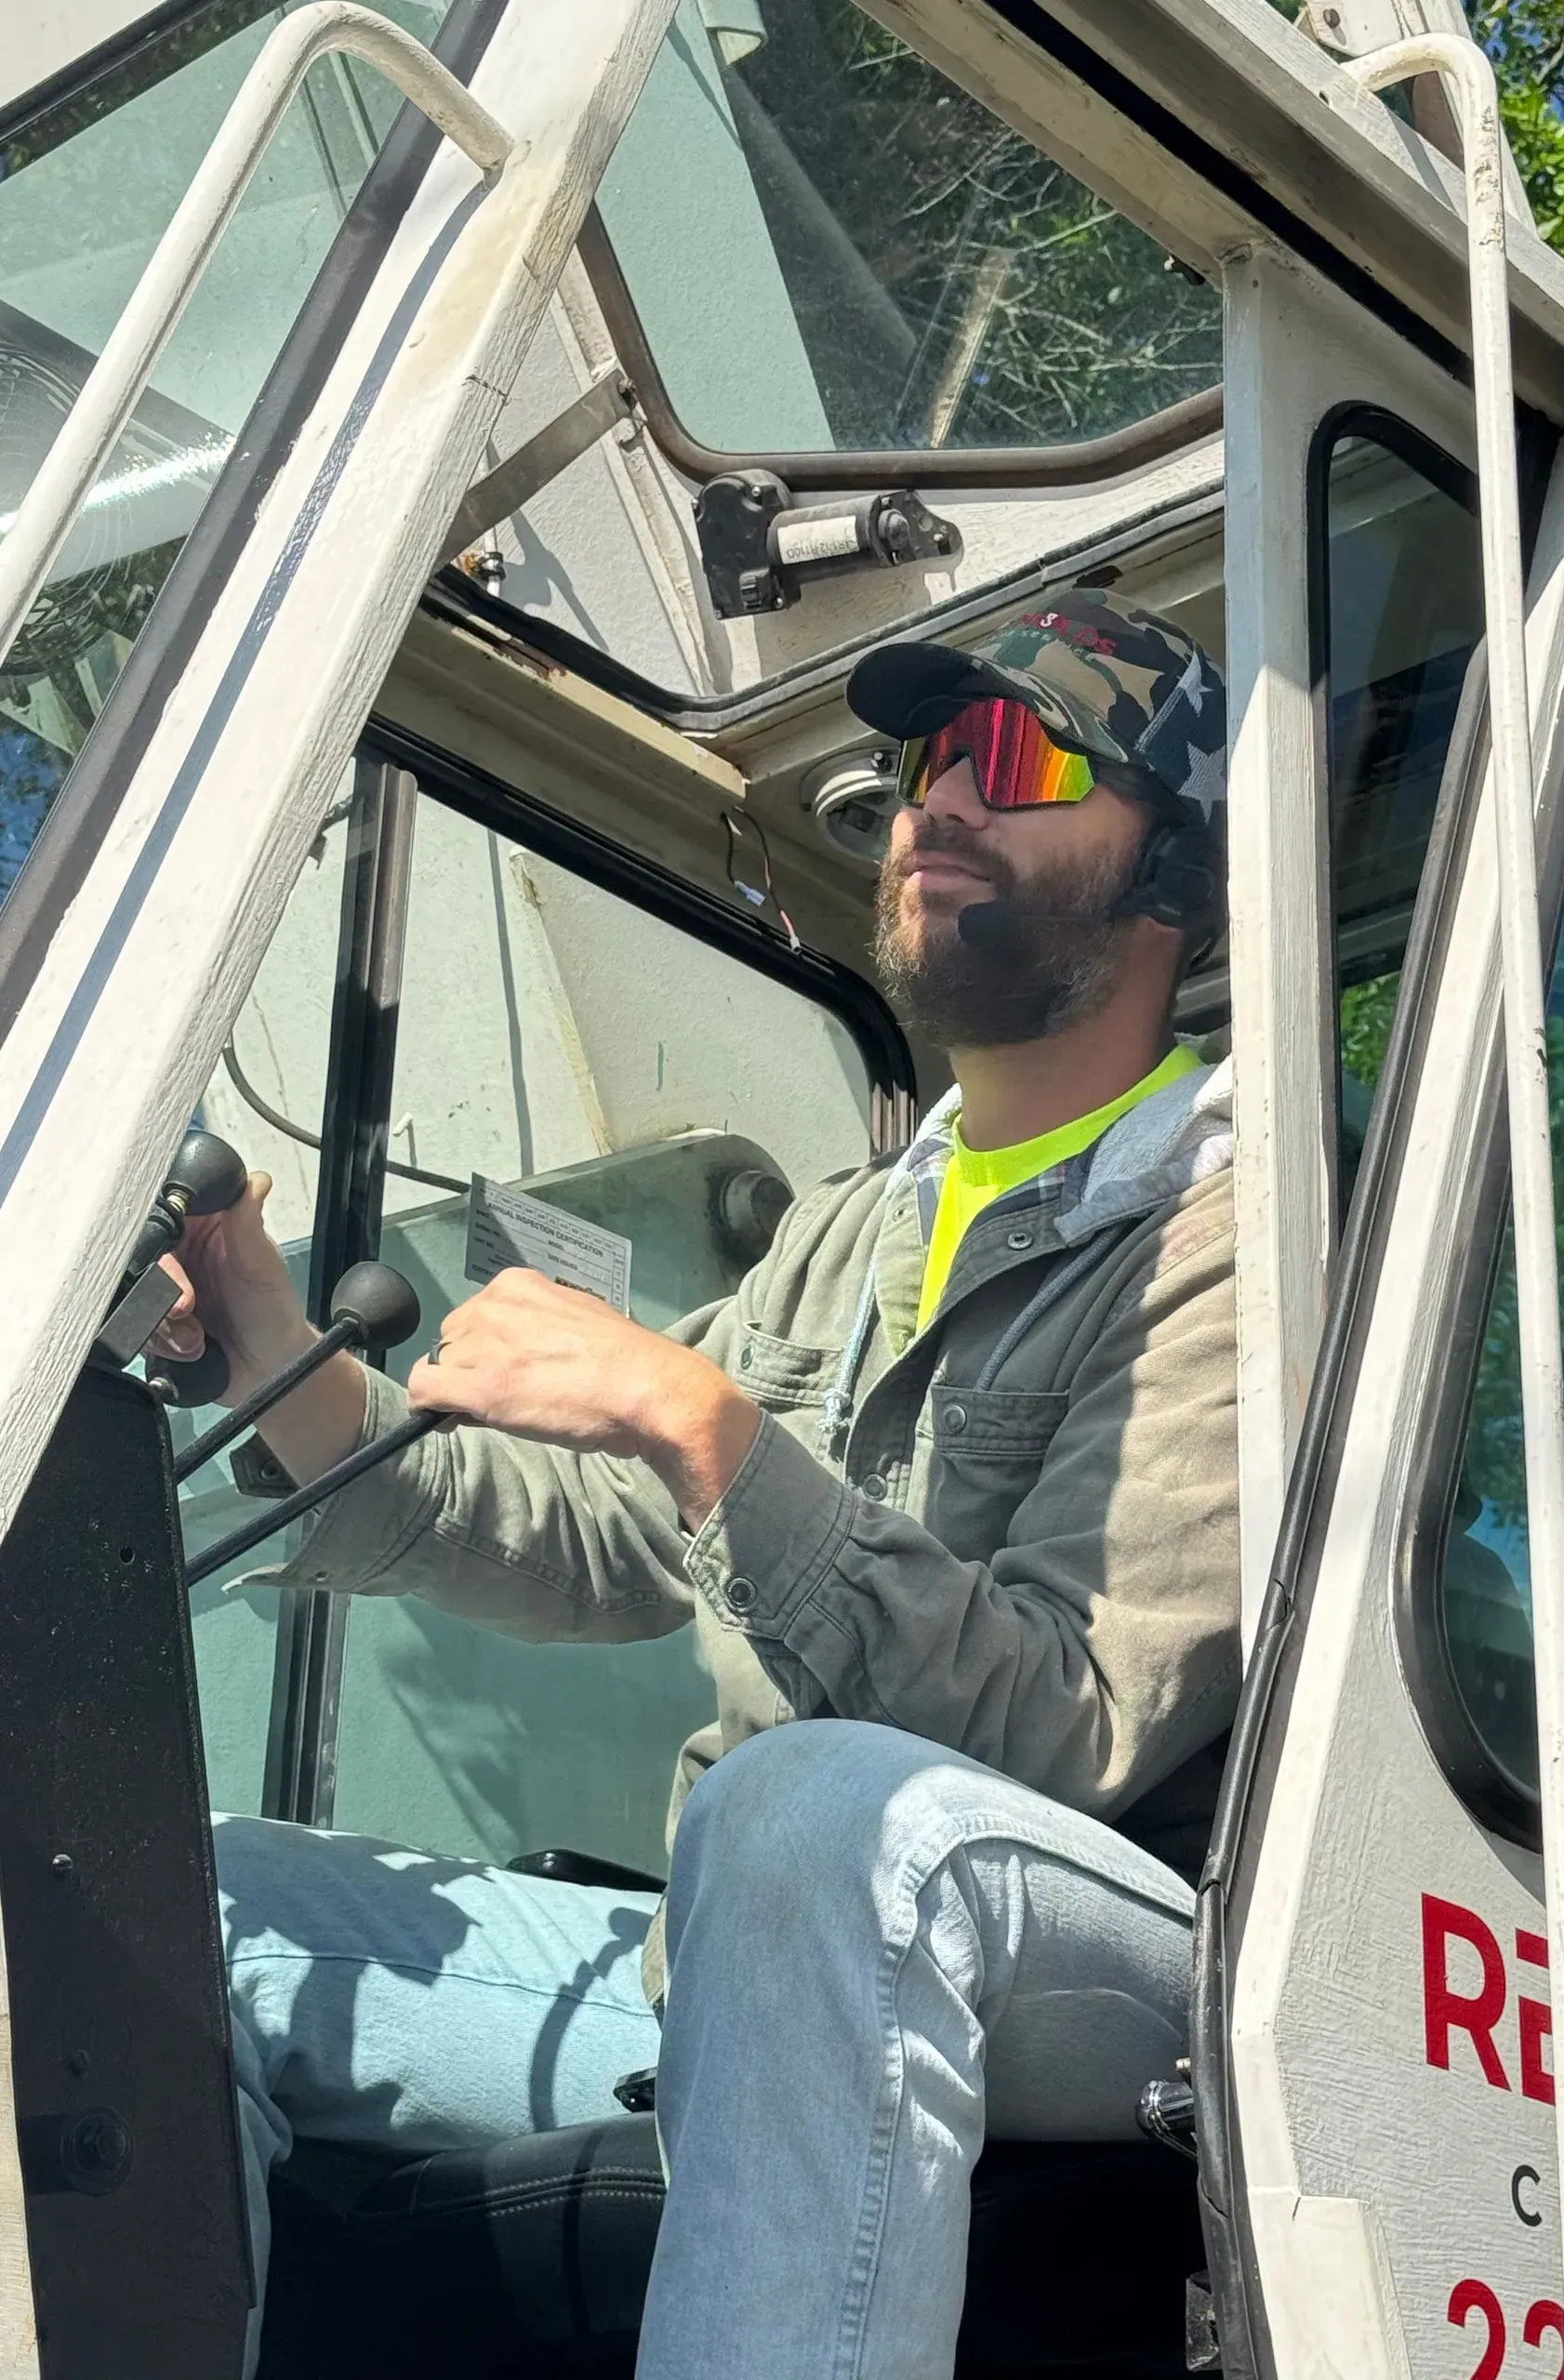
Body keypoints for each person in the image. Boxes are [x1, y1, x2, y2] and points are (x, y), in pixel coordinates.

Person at [165, 588, 1241, 2378]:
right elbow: (593, 1531)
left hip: (1121, 1969)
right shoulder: (856, 1232)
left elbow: (1067, 1722)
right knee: (186, 1894)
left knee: (816, 1815)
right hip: (747, 1945)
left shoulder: (1239, 1227)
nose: (936, 805)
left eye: (1016, 756)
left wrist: (706, 1427)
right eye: (917, 762)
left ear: (1174, 878)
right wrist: (281, 1358)